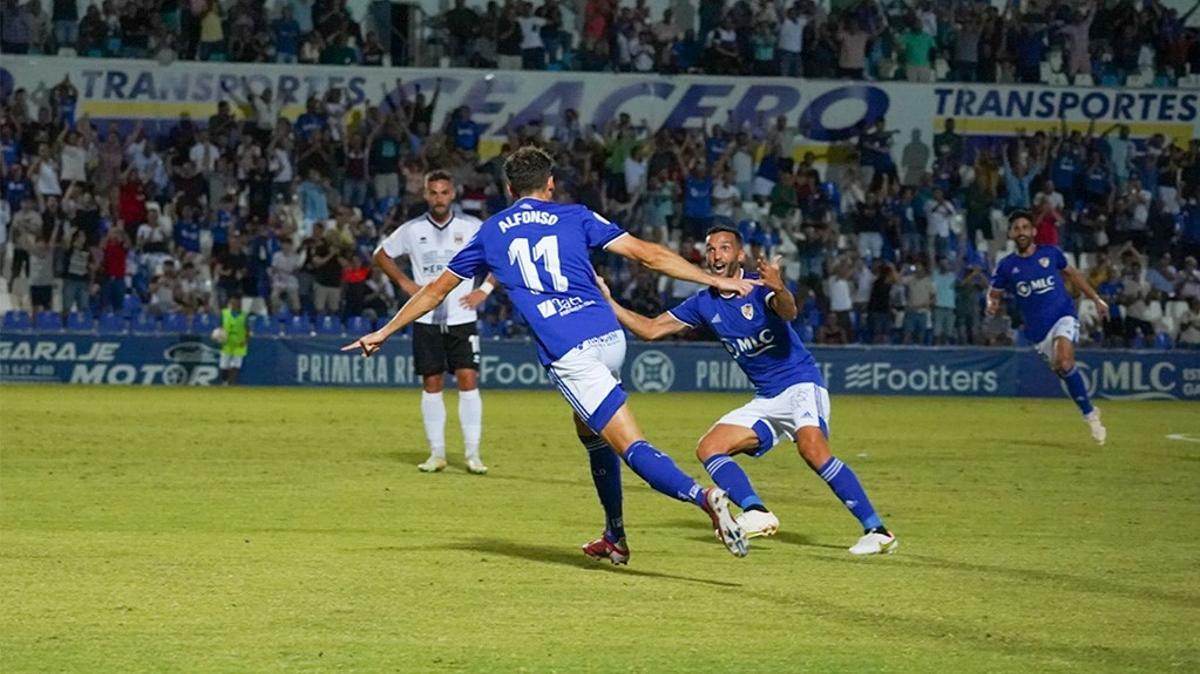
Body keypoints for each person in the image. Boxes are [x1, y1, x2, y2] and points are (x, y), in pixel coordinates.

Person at [345, 146, 757, 561]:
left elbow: (436, 291)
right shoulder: (576, 215)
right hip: (609, 338)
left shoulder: (490, 231)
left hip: (571, 352)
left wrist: (383, 331)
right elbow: (647, 254)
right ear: (550, 184)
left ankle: (704, 498)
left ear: (509, 189)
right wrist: (710, 278)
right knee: (589, 430)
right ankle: (615, 535)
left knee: (630, 445)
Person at [597, 225, 899, 556]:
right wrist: (611, 304)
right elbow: (651, 330)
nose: (715, 255)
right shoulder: (703, 303)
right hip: (767, 398)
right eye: (710, 249)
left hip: (800, 383)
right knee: (710, 447)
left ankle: (877, 530)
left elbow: (789, 311)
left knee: (813, 451)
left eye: (724, 248)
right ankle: (755, 511)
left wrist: (779, 286)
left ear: (739, 255)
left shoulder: (758, 289)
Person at [373, 170, 493, 475]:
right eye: (434, 193)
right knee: (432, 382)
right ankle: (437, 453)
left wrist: (485, 289)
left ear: (453, 194)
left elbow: (502, 256)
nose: (439, 198)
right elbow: (381, 254)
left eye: (444, 192)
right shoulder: (412, 230)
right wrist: (403, 282)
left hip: (462, 317)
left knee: (468, 379)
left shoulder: (472, 227)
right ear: (426, 195)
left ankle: (472, 454)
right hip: (424, 317)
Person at [987, 211, 1109, 444]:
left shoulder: (1050, 253)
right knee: (1062, 368)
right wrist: (991, 304)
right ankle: (1089, 408)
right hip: (1038, 331)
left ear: (1033, 231)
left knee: (1064, 361)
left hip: (1063, 315)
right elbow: (994, 293)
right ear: (1011, 233)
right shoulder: (1006, 266)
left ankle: (1090, 416)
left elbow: (1072, 274)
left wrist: (1096, 299)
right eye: (1016, 228)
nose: (1021, 231)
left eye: (1025, 227)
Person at [219, 293, 249, 385]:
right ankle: (224, 382)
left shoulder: (244, 315)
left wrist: (246, 340)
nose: (235, 304)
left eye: (237, 302)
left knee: (236, 366)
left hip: (239, 344)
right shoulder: (224, 313)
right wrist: (219, 336)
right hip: (227, 343)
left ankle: (232, 384)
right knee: (224, 366)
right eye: (233, 302)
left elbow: (247, 329)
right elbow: (220, 326)